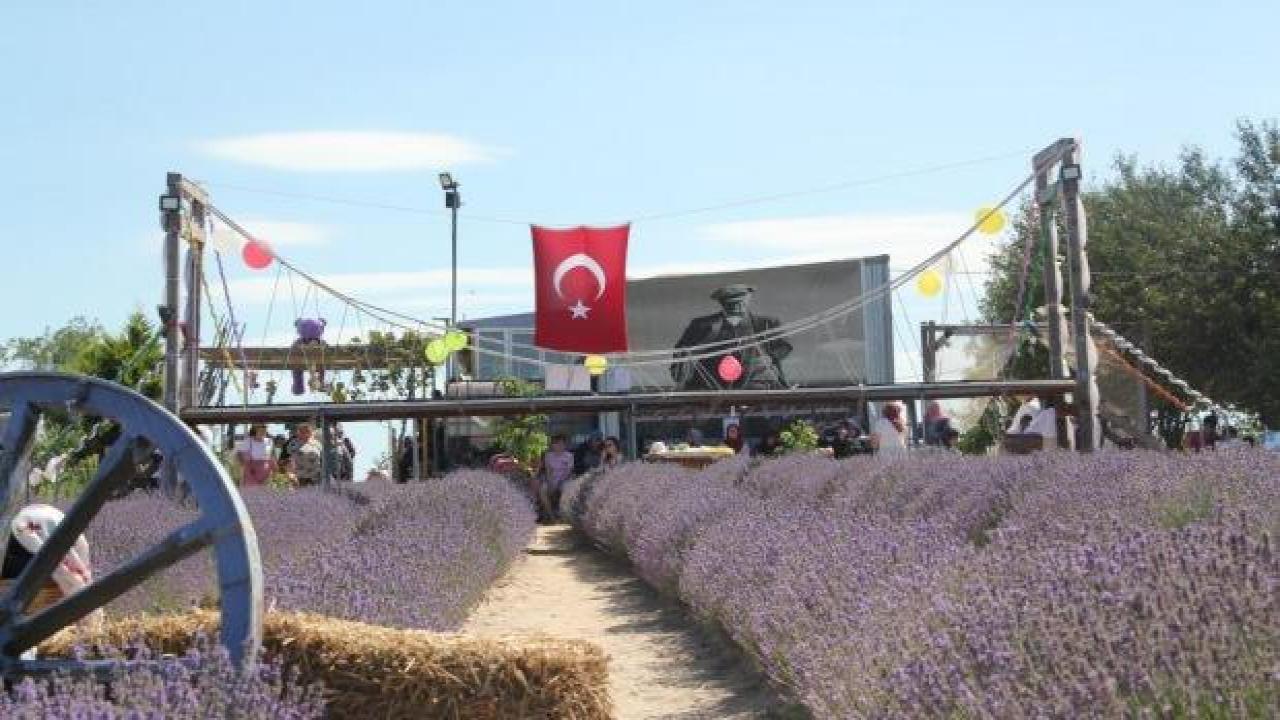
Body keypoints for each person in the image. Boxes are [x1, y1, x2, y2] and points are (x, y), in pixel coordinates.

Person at [670, 284, 793, 390]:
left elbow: (784, 346)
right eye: (731, 304)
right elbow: (682, 350)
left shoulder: (766, 323)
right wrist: (684, 367)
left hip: (755, 382)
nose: (737, 307)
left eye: (741, 303)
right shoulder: (701, 325)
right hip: (711, 384)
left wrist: (769, 358)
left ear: (748, 300)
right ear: (722, 303)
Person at [537, 435, 575, 522]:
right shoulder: (548, 456)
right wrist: (550, 483)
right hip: (552, 479)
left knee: (565, 489)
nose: (559, 446)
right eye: (556, 444)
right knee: (542, 490)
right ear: (552, 445)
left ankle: (563, 514)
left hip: (564, 479)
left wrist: (560, 483)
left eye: (561, 444)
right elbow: (548, 471)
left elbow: (568, 471)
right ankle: (551, 515)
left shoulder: (569, 456)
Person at [286, 422, 324, 487]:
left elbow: (322, 460)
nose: (304, 433)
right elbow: (288, 460)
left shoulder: (317, 444)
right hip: (298, 477)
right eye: (301, 431)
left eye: (307, 430)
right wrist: (290, 474)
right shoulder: (292, 443)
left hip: (315, 477)